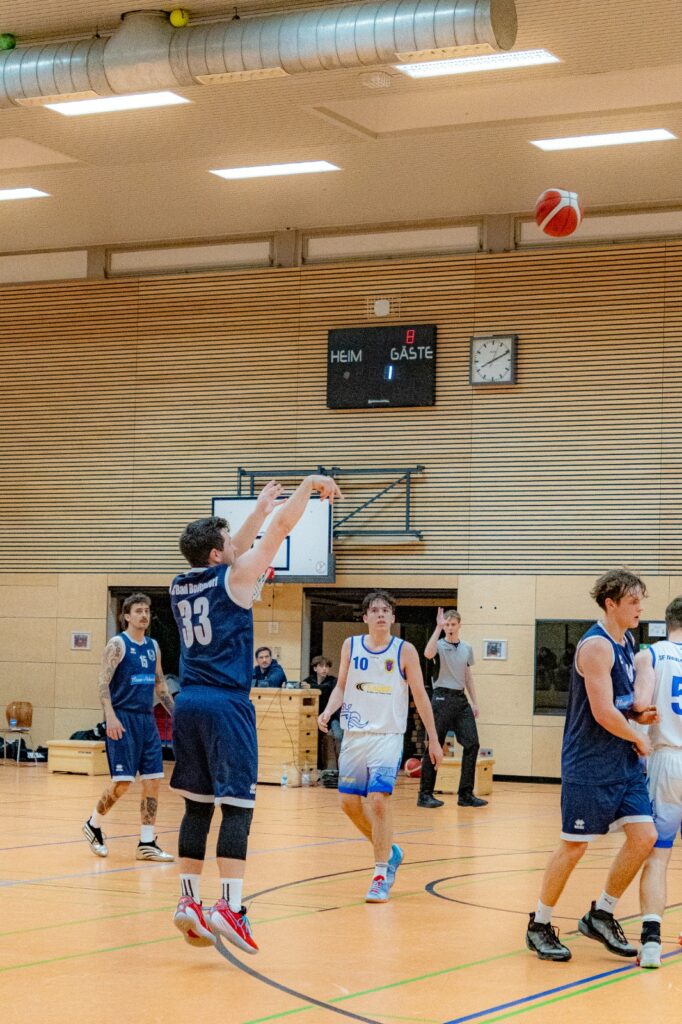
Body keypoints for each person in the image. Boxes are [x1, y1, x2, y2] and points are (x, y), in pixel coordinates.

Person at [169, 475, 342, 954]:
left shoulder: (179, 583)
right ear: (216, 554)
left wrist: (259, 509)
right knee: (238, 807)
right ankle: (230, 906)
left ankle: (188, 901)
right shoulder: (236, 579)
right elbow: (281, 530)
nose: (236, 546)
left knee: (197, 806)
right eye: (228, 543)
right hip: (226, 704)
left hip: (189, 704)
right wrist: (307, 486)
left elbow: (237, 548)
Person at [526, 569, 658, 962]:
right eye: (632, 601)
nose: (639, 608)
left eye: (640, 600)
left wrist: (637, 714)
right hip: (589, 763)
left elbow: (618, 703)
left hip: (622, 761)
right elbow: (601, 712)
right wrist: (637, 736)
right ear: (610, 604)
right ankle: (539, 925)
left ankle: (601, 913)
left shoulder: (626, 640)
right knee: (574, 846)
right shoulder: (596, 647)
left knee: (644, 836)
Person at [318, 590, 443, 903]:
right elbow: (341, 686)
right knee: (348, 804)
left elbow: (420, 695)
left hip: (387, 736)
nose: (380, 614)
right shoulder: (351, 646)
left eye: (386, 610)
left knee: (377, 800)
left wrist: (433, 738)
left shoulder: (405, 651)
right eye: (374, 610)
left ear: (393, 617)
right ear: (365, 617)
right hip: (355, 736)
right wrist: (329, 710)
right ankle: (390, 851)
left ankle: (379, 875)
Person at [82, 592, 175, 862]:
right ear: (126, 616)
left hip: (146, 720)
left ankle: (146, 841)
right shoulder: (117, 644)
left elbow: (160, 684)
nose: (144, 615)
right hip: (122, 718)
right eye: (138, 611)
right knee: (122, 783)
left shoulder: (153, 646)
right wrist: (110, 716)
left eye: (146, 611)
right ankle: (93, 823)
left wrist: (177, 716)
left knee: (153, 780)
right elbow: (103, 682)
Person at [633, 596, 682, 969]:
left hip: (666, 760)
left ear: (668, 622)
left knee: (658, 856)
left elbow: (638, 708)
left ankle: (651, 943)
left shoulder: (649, 654)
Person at [417, 608, 486, 808]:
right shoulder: (438, 645)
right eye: (446, 624)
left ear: (459, 625)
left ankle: (465, 794)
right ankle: (425, 794)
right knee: (435, 744)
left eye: (452, 624)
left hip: (460, 699)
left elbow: (468, 677)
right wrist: (437, 628)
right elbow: (427, 653)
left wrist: (475, 702)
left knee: (472, 744)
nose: (449, 627)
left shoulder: (466, 648)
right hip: (441, 697)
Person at [305, 656, 341, 768]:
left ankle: (341, 765)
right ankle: (318, 766)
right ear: (315, 668)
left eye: (327, 666)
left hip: (332, 716)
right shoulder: (308, 681)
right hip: (314, 716)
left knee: (338, 736)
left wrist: (311, 687)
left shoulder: (333, 681)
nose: (324, 669)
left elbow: (325, 689)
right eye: (321, 666)